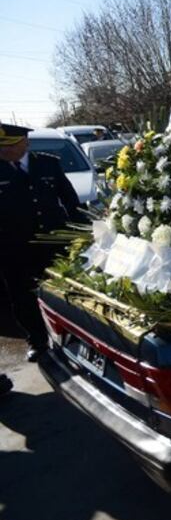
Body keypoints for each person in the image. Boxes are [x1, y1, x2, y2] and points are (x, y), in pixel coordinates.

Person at [0, 123, 83, 361]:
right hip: (14, 249)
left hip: (54, 243)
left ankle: (72, 338)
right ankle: (37, 340)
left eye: (9, 146)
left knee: (64, 294)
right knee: (22, 299)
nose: (3, 152)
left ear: (25, 143)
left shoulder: (47, 163)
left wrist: (81, 234)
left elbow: (71, 201)